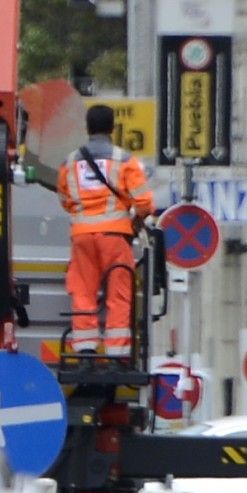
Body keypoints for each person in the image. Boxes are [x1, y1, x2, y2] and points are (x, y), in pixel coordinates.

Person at [56, 103, 155, 358]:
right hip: (114, 236)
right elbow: (144, 203)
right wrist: (135, 219)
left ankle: (86, 350)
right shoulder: (125, 160)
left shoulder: (69, 162)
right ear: (112, 128)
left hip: (81, 237)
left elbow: (65, 200)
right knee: (118, 294)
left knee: (83, 292)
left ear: (87, 128)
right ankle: (116, 354)